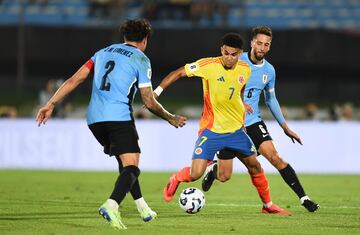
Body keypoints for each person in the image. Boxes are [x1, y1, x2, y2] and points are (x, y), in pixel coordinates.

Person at [36, 19, 187, 230]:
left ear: (125, 37)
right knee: (133, 167)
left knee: (125, 163)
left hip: (94, 120)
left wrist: (50, 103)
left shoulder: (102, 52)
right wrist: (170, 117)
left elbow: (74, 80)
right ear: (145, 40)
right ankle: (112, 204)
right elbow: (149, 102)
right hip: (118, 117)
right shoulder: (140, 59)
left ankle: (142, 207)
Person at [154, 33, 289, 215]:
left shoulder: (244, 69)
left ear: (240, 53)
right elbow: (177, 73)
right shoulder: (208, 65)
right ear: (221, 50)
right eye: (226, 53)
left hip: (235, 132)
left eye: (234, 54)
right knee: (195, 174)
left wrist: (241, 120)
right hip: (211, 131)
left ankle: (268, 205)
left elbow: (239, 94)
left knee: (254, 166)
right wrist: (156, 93)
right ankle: (176, 178)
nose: (229, 58)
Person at [204, 26, 320, 212]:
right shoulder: (235, 60)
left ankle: (304, 198)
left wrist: (285, 127)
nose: (262, 48)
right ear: (251, 43)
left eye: (266, 44)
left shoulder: (269, 71)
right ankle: (214, 169)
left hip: (253, 122)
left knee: (275, 157)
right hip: (231, 125)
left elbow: (271, 99)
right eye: (259, 43)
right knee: (225, 176)